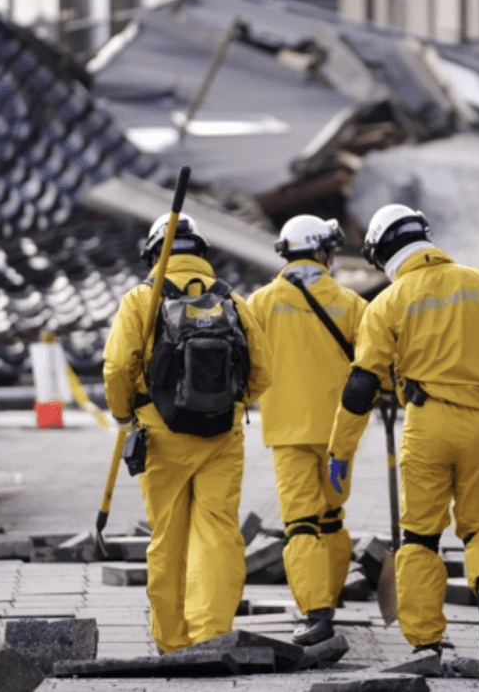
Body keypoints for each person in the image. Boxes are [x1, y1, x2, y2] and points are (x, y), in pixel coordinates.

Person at [326, 204, 479, 658]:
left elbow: (361, 386)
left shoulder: (387, 302)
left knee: (421, 537)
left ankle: (426, 641)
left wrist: (340, 451)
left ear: (382, 253)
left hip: (428, 428)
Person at [103, 212, 272, 655]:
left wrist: (126, 415)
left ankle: (174, 640)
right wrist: (234, 403)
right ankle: (212, 633)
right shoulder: (232, 300)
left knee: (168, 535)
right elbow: (264, 370)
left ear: (152, 255)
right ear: (201, 253)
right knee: (217, 531)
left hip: (160, 434)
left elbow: (119, 367)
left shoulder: (141, 300)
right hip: (221, 434)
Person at [248, 215, 367, 646]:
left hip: (288, 432)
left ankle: (317, 613)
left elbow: (245, 364)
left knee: (301, 523)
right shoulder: (353, 304)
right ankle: (330, 598)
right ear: (321, 252)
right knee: (332, 518)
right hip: (341, 435)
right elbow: (375, 366)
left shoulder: (260, 303)